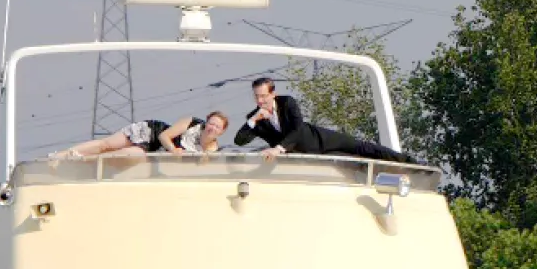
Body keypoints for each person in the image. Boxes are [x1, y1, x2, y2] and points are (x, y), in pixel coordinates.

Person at [234, 77, 420, 164]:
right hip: (306, 157)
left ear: (273, 93)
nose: (260, 101)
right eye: (256, 97)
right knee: (351, 162)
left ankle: (409, 162)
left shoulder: (287, 102)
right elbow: (239, 140)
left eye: (263, 96)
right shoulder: (255, 117)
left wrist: (279, 148)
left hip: (319, 140)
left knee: (361, 147)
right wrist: (254, 120)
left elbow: (297, 129)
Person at [52, 111, 229, 159]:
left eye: (217, 127)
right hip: (152, 132)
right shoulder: (192, 123)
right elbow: (165, 136)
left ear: (221, 132)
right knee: (108, 144)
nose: (212, 128)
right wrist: (173, 149)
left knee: (123, 155)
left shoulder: (212, 149)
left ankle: (84, 160)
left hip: (153, 151)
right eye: (211, 123)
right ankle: (64, 154)